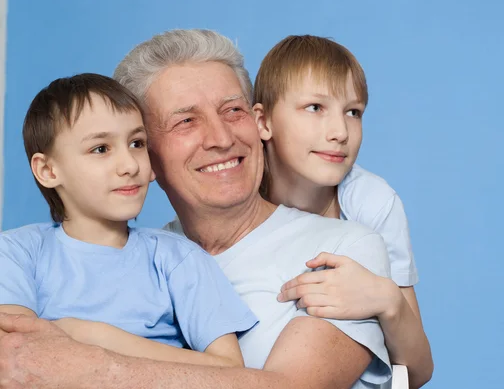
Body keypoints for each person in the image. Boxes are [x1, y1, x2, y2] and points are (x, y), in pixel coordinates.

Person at [0, 29, 425, 389]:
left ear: (260, 123)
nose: (221, 138)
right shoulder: (144, 255)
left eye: (233, 110)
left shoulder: (345, 247)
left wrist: (83, 362)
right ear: (148, 153)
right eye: (186, 121)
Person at [0, 73, 257, 368]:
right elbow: (16, 353)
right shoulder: (16, 253)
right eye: (101, 149)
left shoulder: (179, 258)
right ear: (47, 170)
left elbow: (229, 369)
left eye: (136, 143)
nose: (129, 165)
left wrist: (100, 338)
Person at [252, 35, 433, 386]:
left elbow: (416, 373)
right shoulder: (238, 199)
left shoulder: (372, 202)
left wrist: (387, 300)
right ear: (263, 122)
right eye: (315, 108)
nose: (339, 132)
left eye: (353, 112)